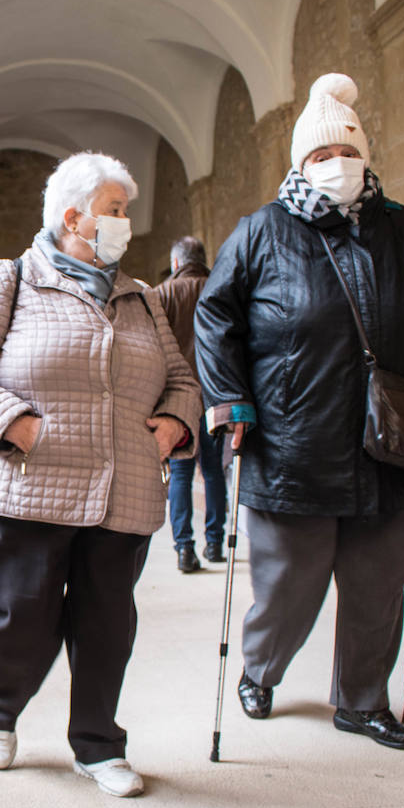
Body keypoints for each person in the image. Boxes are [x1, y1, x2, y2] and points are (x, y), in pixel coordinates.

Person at [194, 74, 404, 751]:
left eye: (345, 153)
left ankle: (363, 701)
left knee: (378, 587)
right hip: (295, 442)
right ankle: (261, 668)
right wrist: (229, 399)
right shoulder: (261, 232)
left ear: (365, 155)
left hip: (394, 440)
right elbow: (215, 314)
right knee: (291, 586)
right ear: (300, 163)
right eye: (320, 156)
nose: (336, 165)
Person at [0, 151, 201, 796]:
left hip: (123, 490)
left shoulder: (140, 299)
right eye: (115, 211)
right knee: (21, 621)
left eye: (126, 212)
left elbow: (182, 379)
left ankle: (98, 745)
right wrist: (18, 424)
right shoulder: (8, 279)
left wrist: (174, 422)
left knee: (107, 624)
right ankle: (0, 709)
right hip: (31, 485)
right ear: (73, 217)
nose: (125, 224)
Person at [155, 235, 227, 573]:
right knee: (214, 473)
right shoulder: (220, 287)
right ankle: (215, 542)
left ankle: (185, 548)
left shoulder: (163, 294)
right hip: (215, 395)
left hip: (178, 399)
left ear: (175, 263)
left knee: (181, 473)